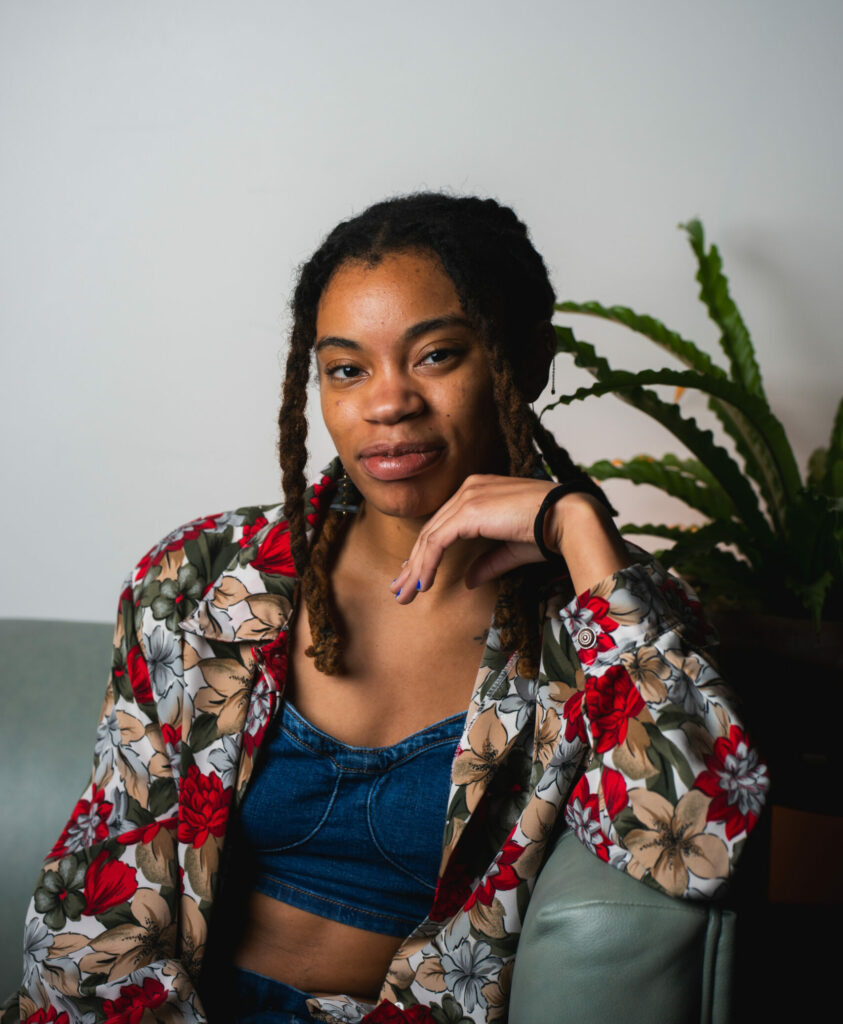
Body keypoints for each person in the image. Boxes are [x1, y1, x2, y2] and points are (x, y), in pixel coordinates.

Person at [5, 194, 768, 1024]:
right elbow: (98, 885)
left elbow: (698, 850)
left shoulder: (599, 617)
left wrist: (577, 528)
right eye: (346, 368)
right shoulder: (199, 581)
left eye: (435, 356)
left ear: (522, 360)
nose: (386, 403)